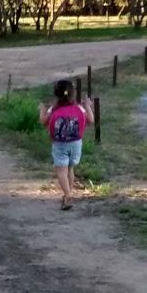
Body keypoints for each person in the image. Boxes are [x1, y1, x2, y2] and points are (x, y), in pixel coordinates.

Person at [39, 80, 94, 210]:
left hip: (60, 144)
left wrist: (42, 110)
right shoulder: (78, 107)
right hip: (76, 143)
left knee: (61, 171)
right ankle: (68, 194)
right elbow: (91, 121)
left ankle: (68, 196)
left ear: (56, 94)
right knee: (70, 168)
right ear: (73, 94)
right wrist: (87, 106)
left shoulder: (54, 109)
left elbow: (43, 121)